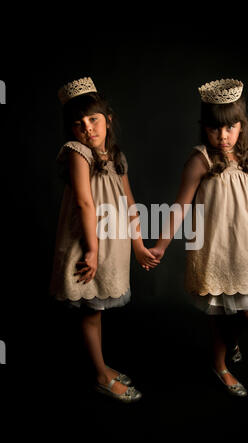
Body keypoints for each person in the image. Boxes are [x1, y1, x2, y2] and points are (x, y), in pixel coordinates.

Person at [149, 79, 248, 397]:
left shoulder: (247, 162)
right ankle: (220, 365)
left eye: (230, 128)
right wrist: (159, 246)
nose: (223, 136)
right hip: (215, 250)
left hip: (244, 251)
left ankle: (231, 342)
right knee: (220, 313)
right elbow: (180, 207)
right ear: (204, 128)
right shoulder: (201, 160)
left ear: (241, 127)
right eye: (215, 129)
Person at [50, 77, 159, 402]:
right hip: (88, 242)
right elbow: (85, 202)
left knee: (96, 307)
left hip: (113, 242)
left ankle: (102, 366)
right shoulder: (77, 152)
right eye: (78, 124)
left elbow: (128, 201)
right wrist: (92, 251)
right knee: (90, 309)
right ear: (72, 130)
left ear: (107, 120)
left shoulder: (116, 156)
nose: (87, 128)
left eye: (93, 120)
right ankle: (100, 374)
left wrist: (138, 244)